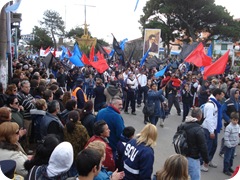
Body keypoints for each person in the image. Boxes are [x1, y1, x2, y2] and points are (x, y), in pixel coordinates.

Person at [180, 107, 209, 180]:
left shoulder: (183, 125)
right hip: (193, 158)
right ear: (199, 116)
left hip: (182, 156)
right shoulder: (199, 130)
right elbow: (203, 146)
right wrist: (206, 160)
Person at [201, 88, 225, 171]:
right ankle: (204, 163)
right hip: (209, 129)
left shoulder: (216, 103)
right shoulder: (211, 105)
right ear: (217, 95)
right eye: (221, 95)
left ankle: (209, 160)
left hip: (213, 128)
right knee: (208, 146)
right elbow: (209, 119)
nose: (222, 96)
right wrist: (211, 132)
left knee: (214, 146)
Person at [220, 88, 240, 156]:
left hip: (236, 122)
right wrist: (228, 119)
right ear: (232, 94)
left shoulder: (238, 101)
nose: (238, 94)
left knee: (235, 135)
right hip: (229, 122)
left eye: (238, 93)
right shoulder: (227, 102)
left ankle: (232, 150)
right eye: (236, 93)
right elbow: (223, 112)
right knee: (226, 136)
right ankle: (222, 151)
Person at [223, 112, 240, 176]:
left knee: (232, 157)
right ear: (231, 119)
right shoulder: (229, 127)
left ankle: (229, 167)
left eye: (236, 120)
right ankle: (225, 169)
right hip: (229, 145)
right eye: (234, 120)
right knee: (227, 157)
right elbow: (226, 136)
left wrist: (237, 142)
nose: (235, 121)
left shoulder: (238, 126)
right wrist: (228, 144)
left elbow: (237, 135)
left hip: (234, 144)